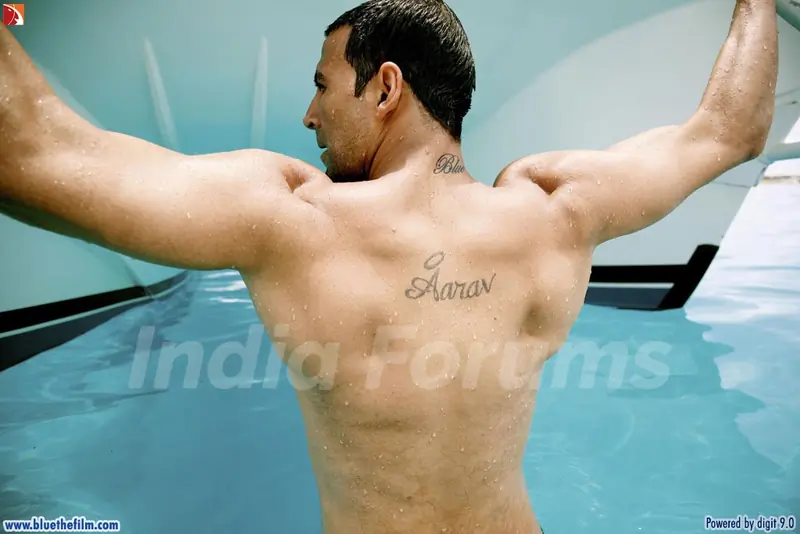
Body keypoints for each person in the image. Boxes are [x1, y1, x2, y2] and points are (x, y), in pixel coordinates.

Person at [0, 0, 778, 532]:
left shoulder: (297, 222)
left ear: (386, 87)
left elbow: (27, 153)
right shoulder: (556, 212)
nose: (310, 115)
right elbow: (731, 130)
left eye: (322, 87)